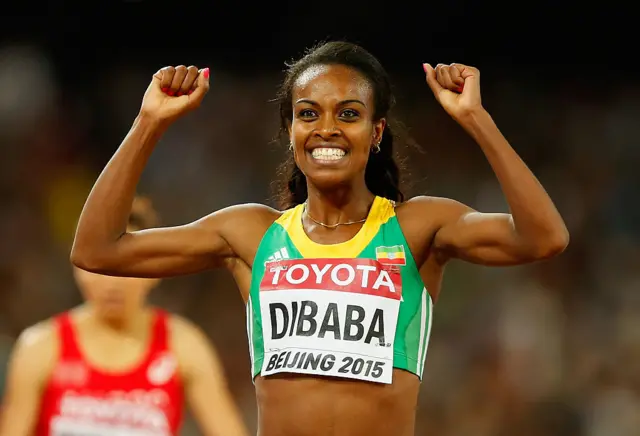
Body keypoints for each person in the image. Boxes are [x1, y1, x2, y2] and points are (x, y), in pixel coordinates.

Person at [70, 41, 569, 436]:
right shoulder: (251, 234)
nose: (326, 128)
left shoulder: (418, 228)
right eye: (308, 113)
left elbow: (544, 236)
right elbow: (97, 249)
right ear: (289, 128)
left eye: (348, 114)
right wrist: (148, 122)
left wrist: (475, 120)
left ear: (376, 132)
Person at [0, 197, 248, 436]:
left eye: (125, 268)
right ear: (78, 267)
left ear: (155, 270)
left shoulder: (183, 346)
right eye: (101, 268)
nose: (113, 284)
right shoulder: (40, 348)